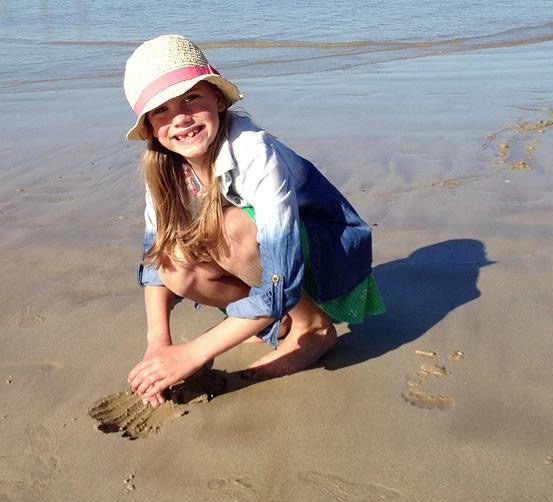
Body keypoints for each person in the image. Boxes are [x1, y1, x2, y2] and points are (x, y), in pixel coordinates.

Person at [123, 35, 385, 406]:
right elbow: (154, 261)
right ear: (150, 128)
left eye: (191, 98)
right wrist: (159, 345)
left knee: (226, 230)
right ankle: (276, 321)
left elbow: (282, 277)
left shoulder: (254, 152)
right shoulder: (164, 168)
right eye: (161, 110)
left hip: (326, 250)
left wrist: (194, 353)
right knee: (174, 265)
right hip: (265, 262)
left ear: (218, 99)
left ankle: (312, 326)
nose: (180, 117)